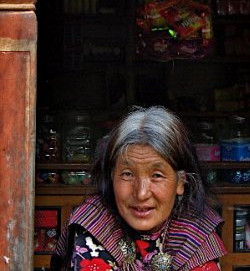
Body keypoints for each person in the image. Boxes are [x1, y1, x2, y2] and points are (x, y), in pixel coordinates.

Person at [51, 106, 227, 270]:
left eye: (157, 176)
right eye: (127, 174)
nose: (141, 193)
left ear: (181, 182)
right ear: (112, 177)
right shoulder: (93, 225)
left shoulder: (196, 233)